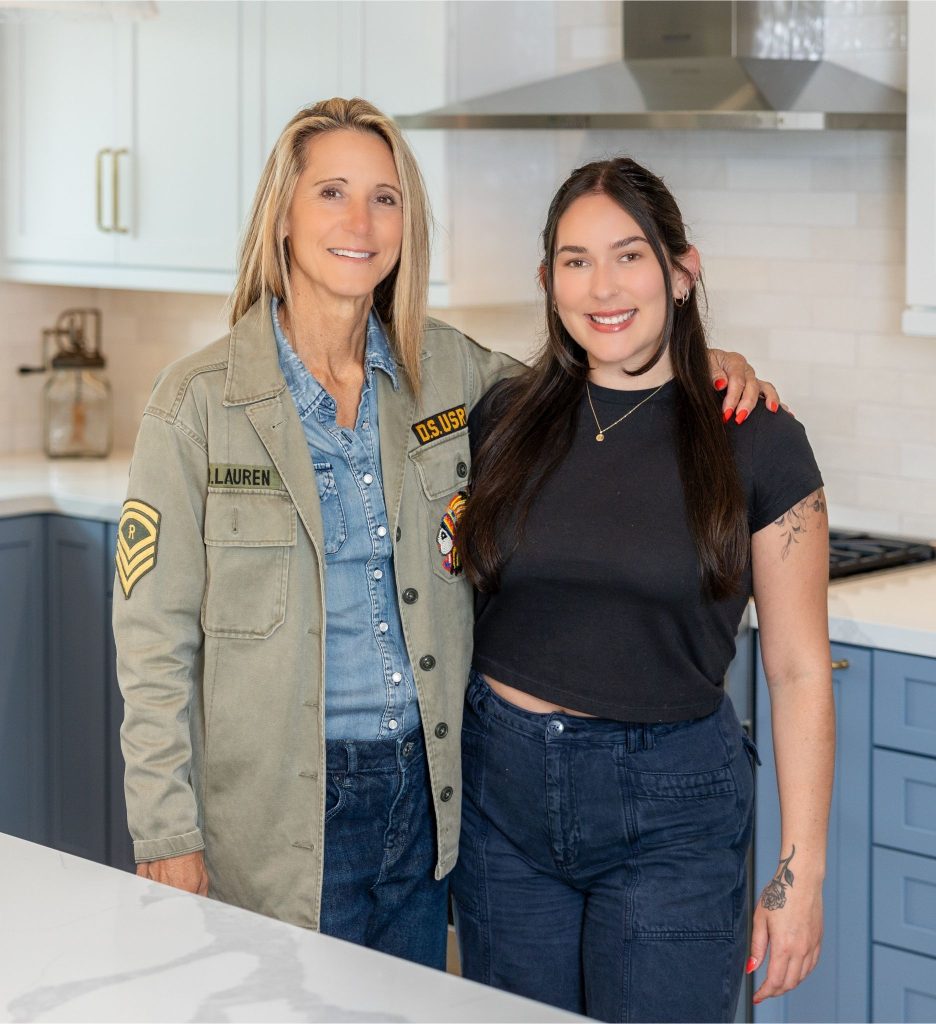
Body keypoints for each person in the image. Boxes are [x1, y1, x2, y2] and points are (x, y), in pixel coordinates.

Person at [113, 98, 780, 971]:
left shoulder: (453, 375)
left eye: (386, 198)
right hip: (280, 815)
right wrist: (167, 830)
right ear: (282, 214)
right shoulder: (195, 405)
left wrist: (706, 362)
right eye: (332, 194)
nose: (361, 222)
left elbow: (597, 379)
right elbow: (152, 642)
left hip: (430, 811)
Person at [451, 156, 833, 1022]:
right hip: (499, 804)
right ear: (548, 283)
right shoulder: (500, 419)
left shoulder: (759, 439)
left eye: (629, 255)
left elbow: (801, 671)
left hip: (673, 814)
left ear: (682, 270)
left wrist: (798, 876)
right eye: (576, 261)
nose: (603, 286)